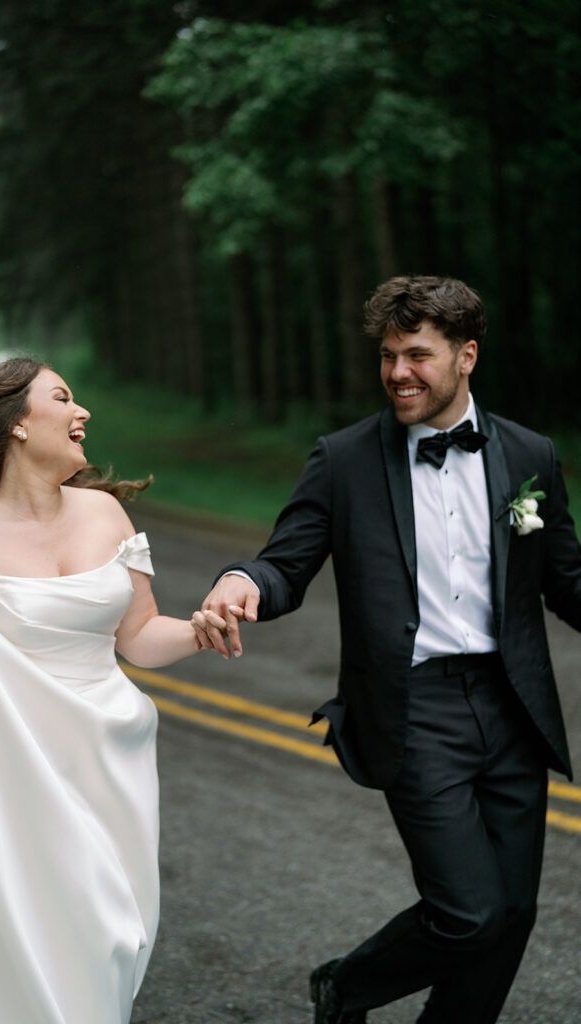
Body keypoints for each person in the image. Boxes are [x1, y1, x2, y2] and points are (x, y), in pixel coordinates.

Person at [198, 276, 581, 1024]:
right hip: (414, 711)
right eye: (386, 356)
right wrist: (241, 580)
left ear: (466, 356)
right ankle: (347, 985)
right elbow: (286, 560)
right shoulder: (343, 459)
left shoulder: (528, 454)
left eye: (417, 355)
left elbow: (565, 580)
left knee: (511, 915)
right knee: (469, 912)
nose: (397, 373)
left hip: (512, 706)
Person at [0, 357, 224, 1023]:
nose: (83, 413)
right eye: (64, 398)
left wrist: (197, 630)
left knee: (107, 935)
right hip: (7, 782)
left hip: (107, 763)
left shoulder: (104, 513)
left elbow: (136, 636)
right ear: (19, 423)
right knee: (30, 946)